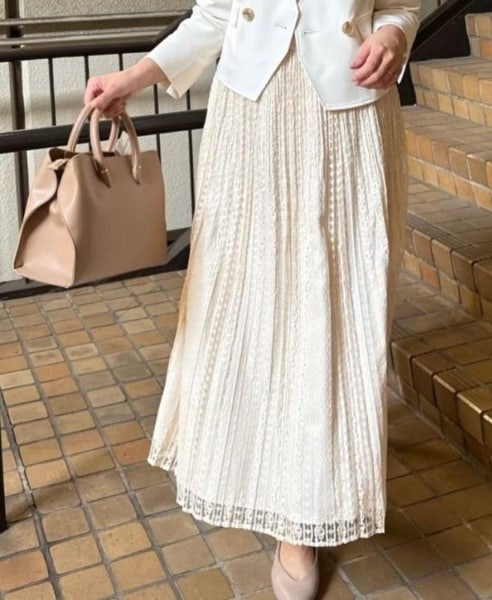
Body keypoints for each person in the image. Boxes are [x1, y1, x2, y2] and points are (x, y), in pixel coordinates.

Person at [84, 1, 419, 598]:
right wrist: (134, 77)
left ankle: (302, 517)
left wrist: (394, 35)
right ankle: (254, 467)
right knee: (246, 302)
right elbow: (215, 14)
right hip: (250, 119)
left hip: (346, 115)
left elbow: (401, 6)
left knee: (330, 303)